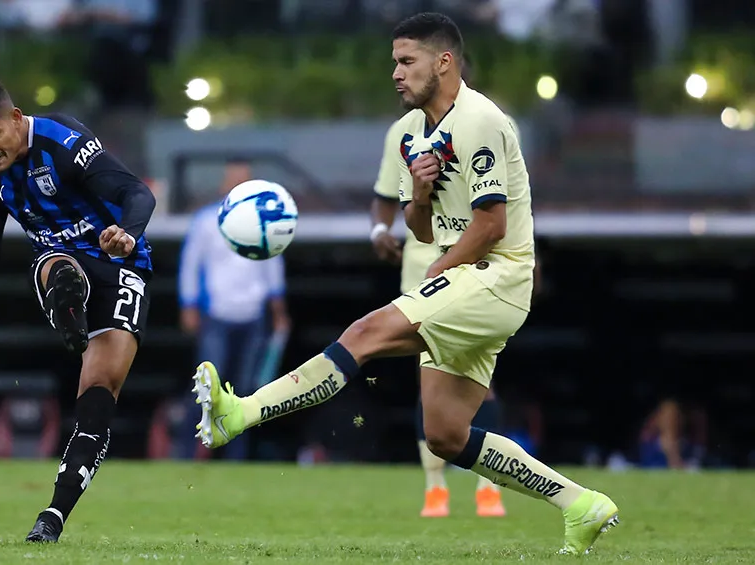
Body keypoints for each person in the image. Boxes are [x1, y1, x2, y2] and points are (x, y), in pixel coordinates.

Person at [192, 13, 618, 555]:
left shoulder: (480, 121)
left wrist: (442, 268)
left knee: (365, 334)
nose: (396, 72)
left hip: (497, 276)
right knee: (445, 433)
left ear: (444, 62)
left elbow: (492, 226)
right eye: (394, 62)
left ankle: (239, 414)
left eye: (407, 61)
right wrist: (418, 195)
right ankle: (580, 504)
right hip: (470, 278)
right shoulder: (415, 134)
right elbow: (421, 228)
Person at [0, 77, 156, 543]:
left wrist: (127, 232)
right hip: (61, 264)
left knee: (99, 393)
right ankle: (69, 307)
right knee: (56, 264)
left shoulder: (63, 141)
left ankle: (53, 516)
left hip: (122, 264)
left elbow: (137, 193)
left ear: (15, 118)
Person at [371, 56, 506, 518]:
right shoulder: (402, 132)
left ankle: (489, 486)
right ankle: (435, 488)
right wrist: (380, 231)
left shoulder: (493, 126)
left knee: (480, 382)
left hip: (481, 267)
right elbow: (386, 200)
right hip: (423, 270)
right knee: (429, 382)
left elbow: (511, 204)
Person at [177, 159, 290, 460]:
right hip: (217, 314)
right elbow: (191, 264)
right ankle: (185, 452)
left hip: (253, 316)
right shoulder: (206, 221)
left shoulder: (265, 222)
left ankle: (236, 457)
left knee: (244, 390)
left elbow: (273, 266)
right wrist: (188, 305)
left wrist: (278, 311)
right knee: (206, 386)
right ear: (224, 185)